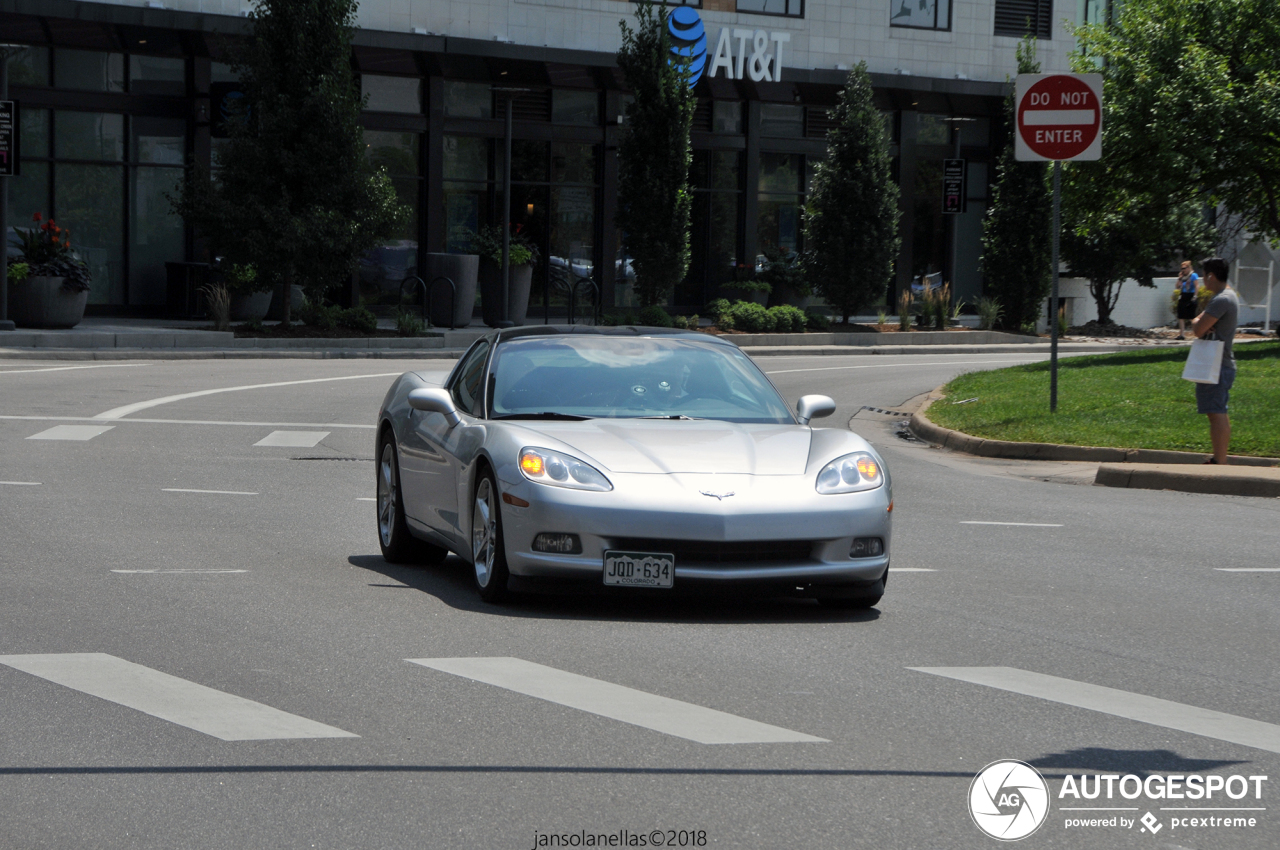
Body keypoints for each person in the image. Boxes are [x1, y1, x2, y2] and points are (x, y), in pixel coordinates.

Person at [1191, 257, 1239, 464]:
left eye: (1204, 276)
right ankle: (1219, 459)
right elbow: (1199, 322)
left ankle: (1219, 461)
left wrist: (1197, 322)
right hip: (1220, 364)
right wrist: (1198, 321)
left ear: (1211, 276)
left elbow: (1198, 329)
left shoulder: (1221, 299)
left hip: (1217, 365)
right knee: (1216, 411)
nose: (1203, 281)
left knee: (1216, 412)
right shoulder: (1226, 296)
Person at [1174, 260, 1199, 339]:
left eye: (1184, 268)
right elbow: (1177, 287)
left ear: (1188, 268)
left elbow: (1197, 286)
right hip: (1183, 295)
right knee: (1181, 315)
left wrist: (1195, 296)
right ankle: (1182, 334)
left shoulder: (1193, 275)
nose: (1183, 270)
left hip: (1191, 295)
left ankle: (1198, 333)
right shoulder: (1182, 277)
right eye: (1182, 268)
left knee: (1191, 316)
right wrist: (1179, 278)